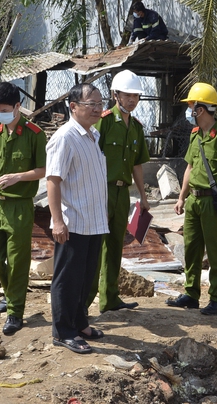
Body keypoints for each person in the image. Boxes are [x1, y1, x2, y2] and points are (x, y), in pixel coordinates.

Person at [167, 82, 217, 315]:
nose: (189, 110)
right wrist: (181, 198)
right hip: (193, 201)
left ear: (200, 109)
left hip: (212, 203)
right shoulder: (195, 134)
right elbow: (190, 168)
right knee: (191, 248)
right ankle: (191, 294)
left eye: (191, 105)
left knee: (215, 251)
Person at [0, 82, 47, 335]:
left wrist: (18, 177)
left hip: (19, 206)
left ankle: (15, 312)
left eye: (5, 110)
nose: (0, 115)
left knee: (18, 262)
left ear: (18, 106)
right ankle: (11, 291)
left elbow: (44, 170)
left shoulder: (34, 134)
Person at [47, 83, 109, 354]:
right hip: (73, 222)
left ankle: (80, 322)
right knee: (67, 279)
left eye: (99, 103)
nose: (97, 108)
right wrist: (57, 221)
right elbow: (53, 181)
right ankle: (63, 331)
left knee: (85, 277)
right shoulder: (65, 137)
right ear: (73, 107)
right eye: (91, 104)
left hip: (94, 220)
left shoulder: (92, 135)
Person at [86, 70, 151, 313]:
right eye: (127, 95)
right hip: (101, 192)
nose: (132, 100)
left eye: (136, 95)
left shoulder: (136, 127)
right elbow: (91, 157)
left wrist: (143, 197)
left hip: (122, 194)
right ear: (116, 95)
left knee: (114, 247)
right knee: (95, 249)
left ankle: (109, 299)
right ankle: (83, 304)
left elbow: (137, 164)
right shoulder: (102, 121)